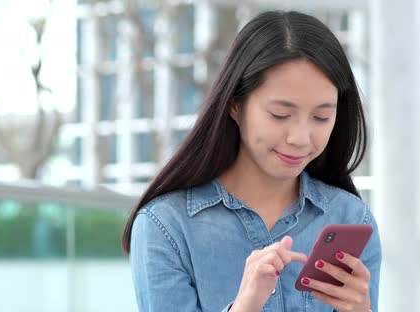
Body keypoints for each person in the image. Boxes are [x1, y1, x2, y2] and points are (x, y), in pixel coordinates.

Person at [121, 10, 381, 312]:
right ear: (235, 104)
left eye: (321, 117)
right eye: (280, 115)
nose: (301, 137)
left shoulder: (351, 218)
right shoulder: (165, 227)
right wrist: (246, 305)